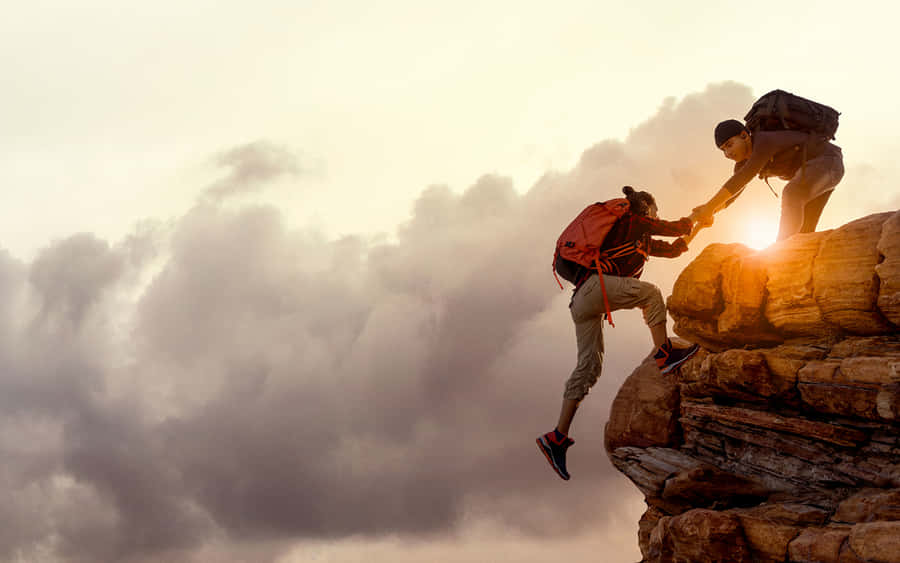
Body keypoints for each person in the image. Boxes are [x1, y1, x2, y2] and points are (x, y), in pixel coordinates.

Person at [537, 186, 700, 481]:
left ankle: (557, 437)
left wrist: (694, 228)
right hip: (597, 289)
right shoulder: (632, 223)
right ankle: (665, 355)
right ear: (645, 209)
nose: (655, 217)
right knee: (651, 294)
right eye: (654, 212)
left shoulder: (636, 240)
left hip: (582, 302)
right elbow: (675, 228)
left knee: (588, 368)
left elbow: (675, 248)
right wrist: (696, 218)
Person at [690, 119, 844, 241]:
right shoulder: (742, 163)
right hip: (814, 176)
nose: (727, 153)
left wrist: (709, 207)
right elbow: (731, 197)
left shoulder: (764, 141)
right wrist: (709, 210)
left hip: (829, 163)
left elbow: (743, 178)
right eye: (723, 150)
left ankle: (779, 251)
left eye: (729, 145)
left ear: (744, 136)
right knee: (803, 236)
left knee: (792, 194)